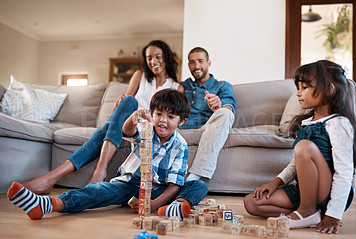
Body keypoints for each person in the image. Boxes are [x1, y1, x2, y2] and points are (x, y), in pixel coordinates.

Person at [7, 89, 208, 220]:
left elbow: (174, 184)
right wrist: (132, 119)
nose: (163, 121)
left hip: (157, 191)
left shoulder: (180, 146)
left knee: (197, 185)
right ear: (152, 113)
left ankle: (176, 207)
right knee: (97, 191)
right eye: (158, 115)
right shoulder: (147, 130)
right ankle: (48, 204)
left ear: (182, 121)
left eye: (171, 117)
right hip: (128, 185)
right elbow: (128, 132)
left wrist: (155, 203)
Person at [23, 40, 183, 194]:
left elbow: (172, 118)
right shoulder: (139, 76)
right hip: (129, 124)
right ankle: (96, 170)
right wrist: (123, 101)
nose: (153, 61)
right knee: (128, 100)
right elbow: (126, 105)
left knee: (106, 128)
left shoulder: (177, 87)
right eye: (149, 57)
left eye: (158, 56)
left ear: (166, 57)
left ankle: (54, 177)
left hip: (148, 130)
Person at [243, 60, 356, 234]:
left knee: (304, 147)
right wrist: (276, 182)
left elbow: (344, 172)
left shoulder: (339, 123)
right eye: (298, 87)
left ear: (329, 89)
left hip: (328, 192)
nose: (298, 94)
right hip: (304, 191)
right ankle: (312, 215)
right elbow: (296, 163)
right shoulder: (307, 122)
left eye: (304, 88)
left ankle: (307, 211)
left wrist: (334, 214)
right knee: (251, 203)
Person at [179, 47, 236, 181]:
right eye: (192, 62)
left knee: (225, 114)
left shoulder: (222, 86)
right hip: (180, 127)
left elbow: (229, 108)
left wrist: (219, 106)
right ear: (188, 65)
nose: (196, 66)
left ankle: (195, 175)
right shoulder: (184, 86)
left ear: (208, 63)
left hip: (208, 128)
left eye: (200, 61)